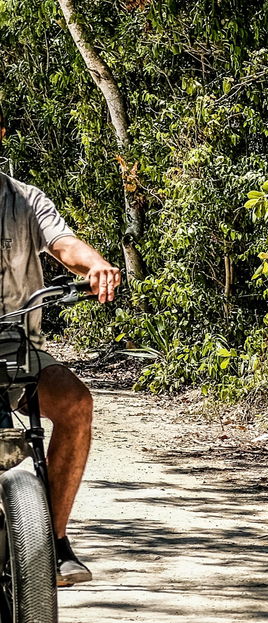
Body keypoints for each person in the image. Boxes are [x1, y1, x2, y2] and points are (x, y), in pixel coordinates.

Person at [1, 171, 122, 586]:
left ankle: (52, 541)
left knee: (76, 403)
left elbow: (63, 243)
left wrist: (96, 265)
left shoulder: (24, 198)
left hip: (16, 344)